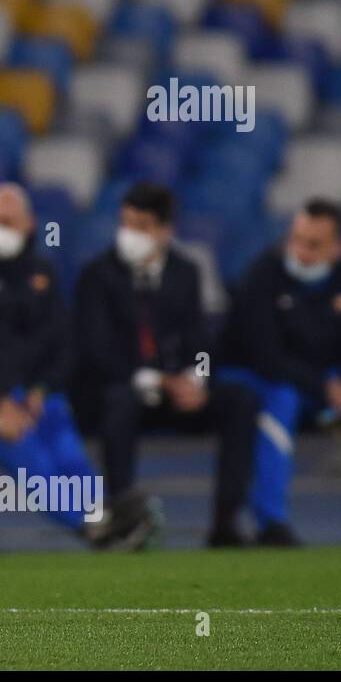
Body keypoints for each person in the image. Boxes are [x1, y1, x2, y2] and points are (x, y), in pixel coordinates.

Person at [0, 183, 119, 545]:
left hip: (26, 394)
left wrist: (41, 390)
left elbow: (63, 344)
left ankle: (101, 514)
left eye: (6, 221)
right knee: (22, 442)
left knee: (62, 434)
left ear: (29, 225)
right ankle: (94, 527)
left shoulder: (42, 273)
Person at [73, 182, 257, 547]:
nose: (130, 235)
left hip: (177, 394)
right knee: (119, 401)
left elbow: (201, 342)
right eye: (126, 224)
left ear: (165, 230)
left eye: (141, 226)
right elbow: (96, 349)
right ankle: (126, 520)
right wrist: (156, 379)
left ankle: (225, 523)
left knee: (240, 401)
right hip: (122, 389)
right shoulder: (98, 274)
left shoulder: (185, 272)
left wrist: (197, 379)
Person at [219, 199, 341, 545]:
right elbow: (265, 356)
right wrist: (326, 386)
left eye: (313, 245)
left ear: (337, 247)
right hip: (268, 380)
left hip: (325, 386)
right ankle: (271, 522)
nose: (301, 252)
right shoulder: (264, 275)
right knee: (279, 400)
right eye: (296, 240)